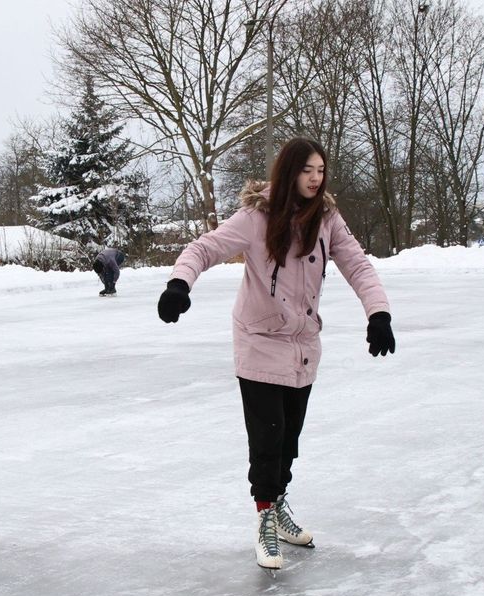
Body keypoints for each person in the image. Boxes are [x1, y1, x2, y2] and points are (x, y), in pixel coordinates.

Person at [157, 137, 395, 570]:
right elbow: (204, 248)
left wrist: (378, 313)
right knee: (267, 439)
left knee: (289, 440)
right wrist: (180, 283)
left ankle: (278, 505)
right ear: (288, 172)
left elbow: (357, 264)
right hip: (260, 342)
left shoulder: (327, 218)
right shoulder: (257, 217)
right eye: (308, 170)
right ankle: (265, 517)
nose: (316, 179)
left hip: (303, 348)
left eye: (321, 171)